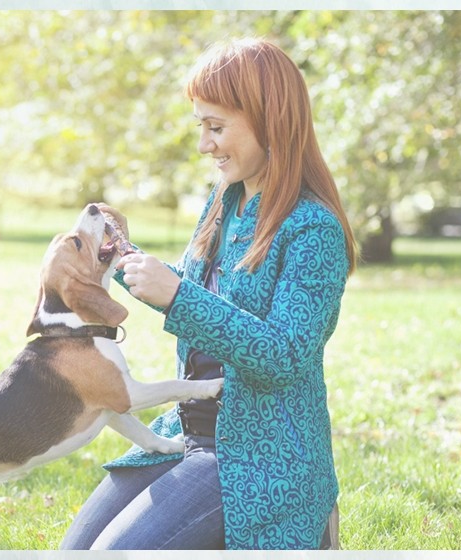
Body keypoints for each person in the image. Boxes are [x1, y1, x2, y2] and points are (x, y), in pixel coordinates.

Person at [60, 36, 357, 551]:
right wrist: (127, 254)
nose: (204, 145)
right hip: (187, 432)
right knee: (74, 549)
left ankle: (314, 528)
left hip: (259, 460)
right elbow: (201, 293)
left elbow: (284, 355)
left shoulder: (314, 229)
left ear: (271, 121)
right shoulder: (226, 200)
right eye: (201, 127)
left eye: (216, 127)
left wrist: (177, 296)